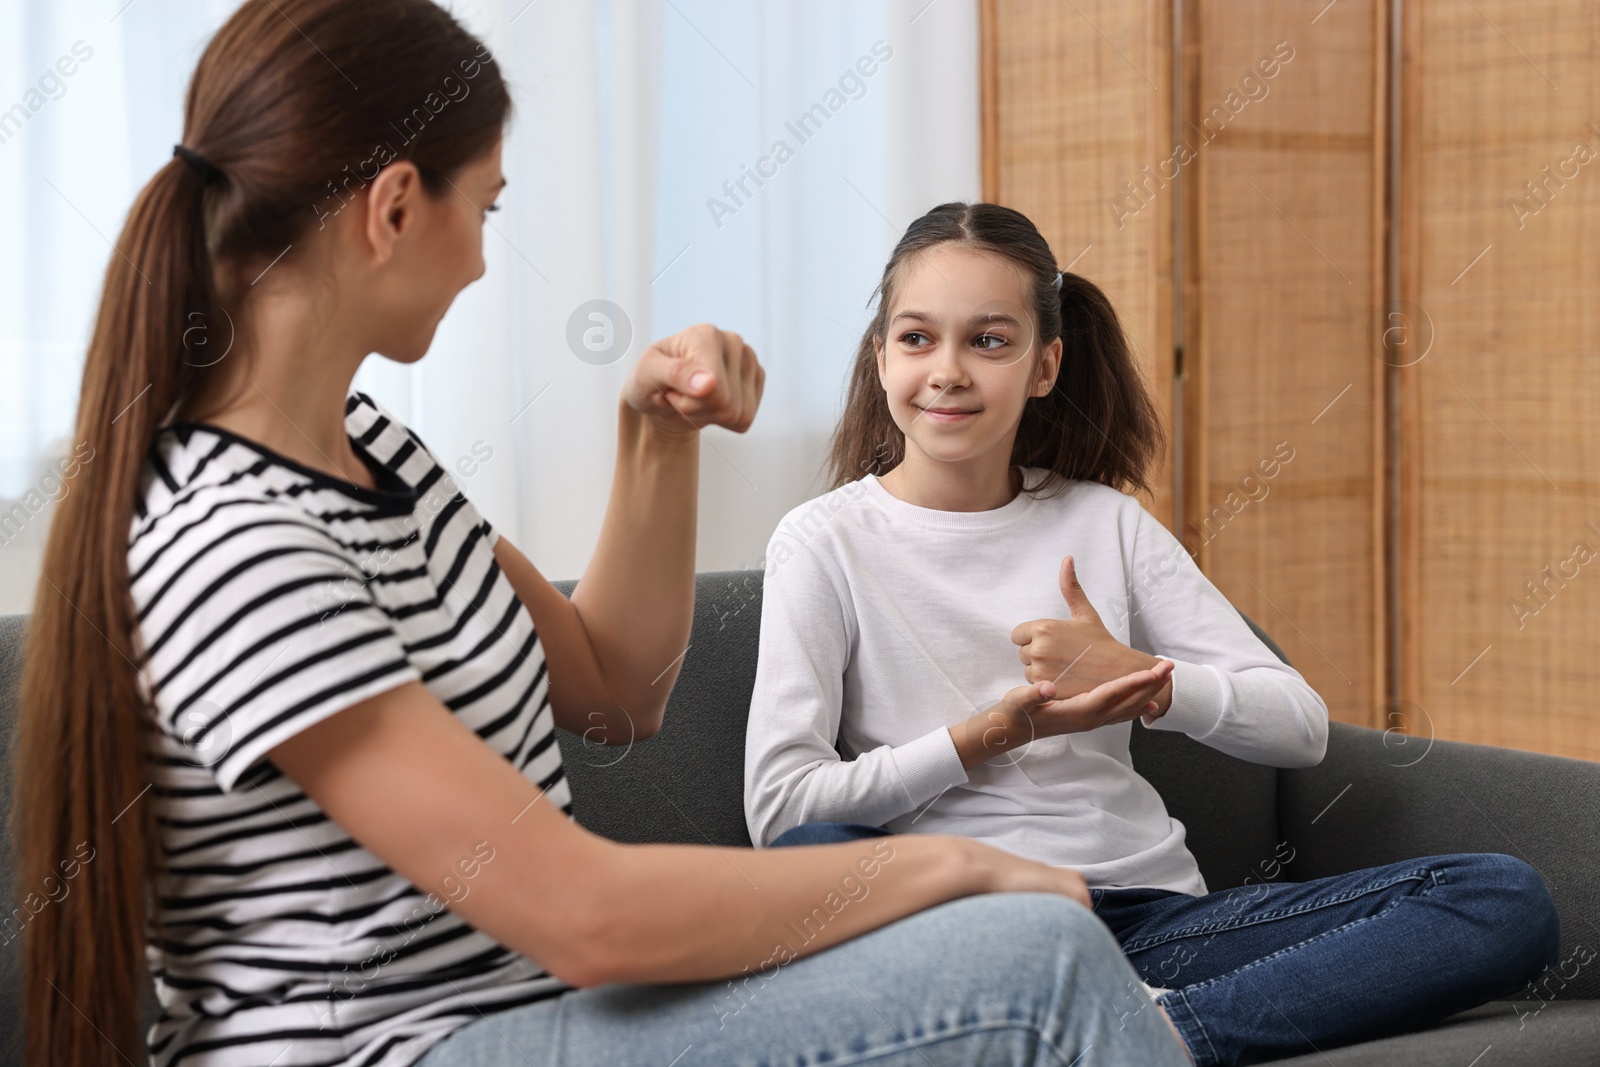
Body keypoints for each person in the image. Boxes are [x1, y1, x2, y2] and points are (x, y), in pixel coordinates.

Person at [10, 4, 1192, 1066]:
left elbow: (615, 685)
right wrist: (962, 866)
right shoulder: (238, 541)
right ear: (394, 207)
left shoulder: (376, 457)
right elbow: (586, 914)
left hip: (513, 1020)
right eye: (488, 209)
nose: (483, 256)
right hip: (399, 1048)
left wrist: (655, 437)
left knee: (1032, 950)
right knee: (1038, 959)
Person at [742, 200, 1564, 1066]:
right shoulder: (822, 541)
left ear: (1045, 364)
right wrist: (991, 732)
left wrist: (1150, 677)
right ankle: (1100, 1021)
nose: (947, 370)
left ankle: (1152, 1033)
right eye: (917, 338)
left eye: (989, 340)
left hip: (1153, 920)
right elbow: (783, 809)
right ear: (880, 358)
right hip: (965, 922)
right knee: (811, 857)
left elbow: (1300, 724)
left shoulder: (1107, 524)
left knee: (1501, 899)